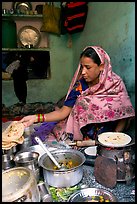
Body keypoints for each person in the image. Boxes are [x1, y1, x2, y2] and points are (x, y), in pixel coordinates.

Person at [20, 46, 135, 144]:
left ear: (101, 66)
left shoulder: (116, 84)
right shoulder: (80, 86)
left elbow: (124, 114)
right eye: (82, 67)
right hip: (84, 137)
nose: (83, 72)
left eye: (88, 67)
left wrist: (115, 138)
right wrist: (35, 118)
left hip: (109, 136)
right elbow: (62, 112)